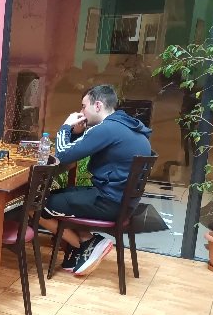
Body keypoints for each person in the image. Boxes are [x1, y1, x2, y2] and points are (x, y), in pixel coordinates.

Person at [41, 84, 152, 276]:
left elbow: (63, 155)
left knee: (39, 202)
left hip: (108, 203)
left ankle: (89, 242)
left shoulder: (106, 129)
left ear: (98, 105)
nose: (81, 112)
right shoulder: (126, 126)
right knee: (66, 193)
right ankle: (84, 244)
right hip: (122, 203)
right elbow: (78, 149)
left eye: (84, 106)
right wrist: (77, 133)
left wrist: (66, 127)